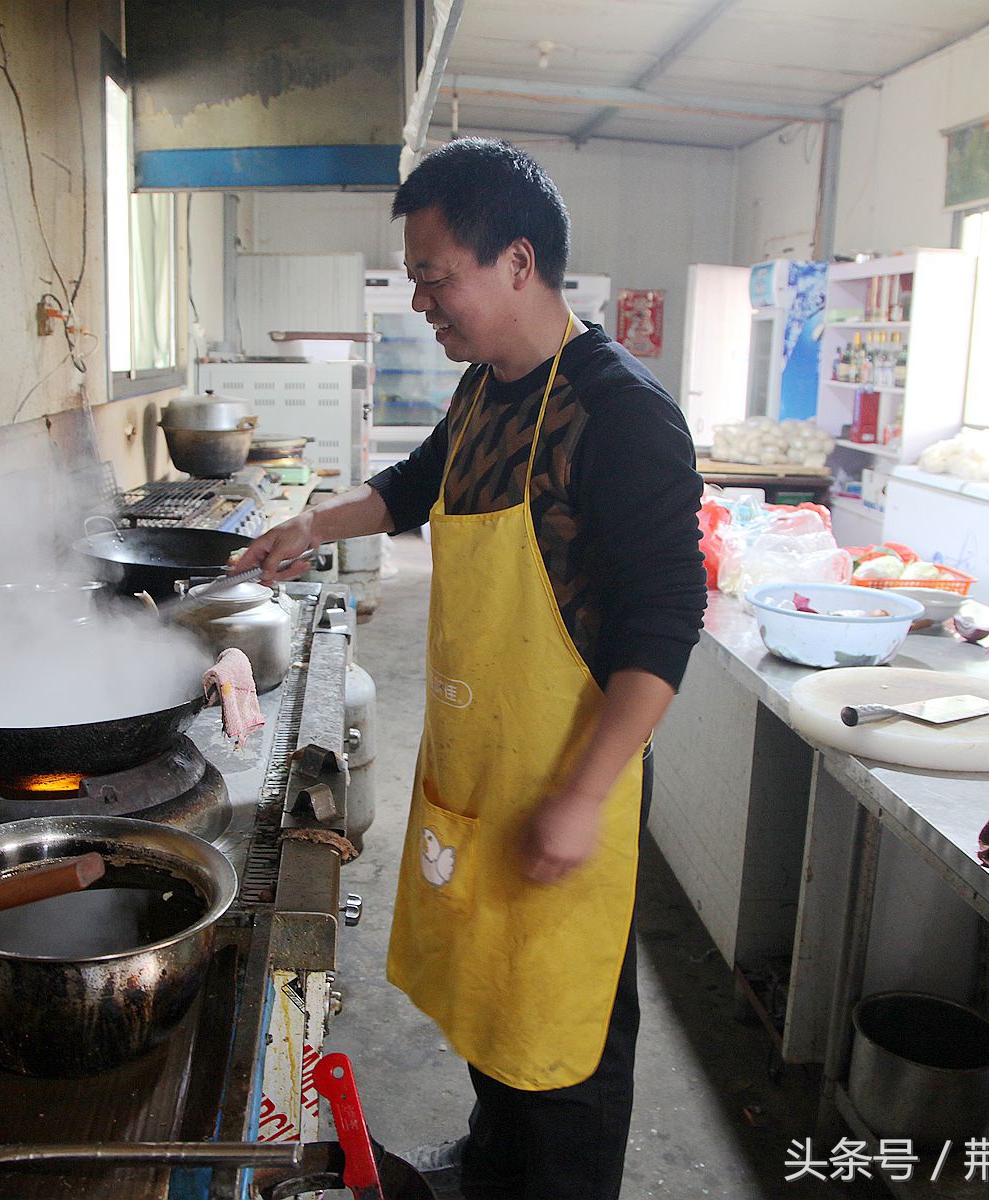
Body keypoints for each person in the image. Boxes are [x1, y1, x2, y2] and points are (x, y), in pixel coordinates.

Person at [229, 137, 707, 1200]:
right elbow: (410, 486)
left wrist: (583, 797)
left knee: (566, 1046)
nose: (422, 302)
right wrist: (308, 525)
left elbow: (667, 626)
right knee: (496, 1010)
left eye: (436, 277)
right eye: (417, 279)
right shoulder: (488, 391)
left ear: (519, 262)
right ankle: (494, 1169)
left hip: (572, 781)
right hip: (485, 775)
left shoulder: (619, 415)